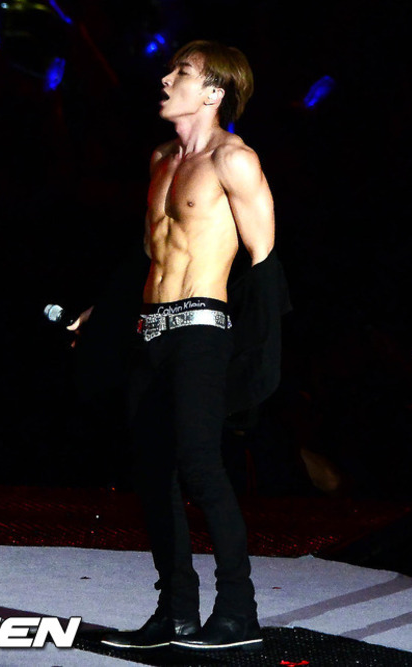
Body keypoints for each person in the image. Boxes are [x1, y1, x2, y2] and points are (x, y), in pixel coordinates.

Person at [70, 39, 283, 653]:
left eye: (181, 72)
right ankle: (177, 612)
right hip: (149, 330)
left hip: (201, 331)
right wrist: (102, 313)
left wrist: (254, 356)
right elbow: (150, 253)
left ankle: (238, 612)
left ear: (214, 92)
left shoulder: (234, 160)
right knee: (152, 472)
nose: (166, 80)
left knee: (200, 465)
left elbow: (263, 259)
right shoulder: (162, 158)